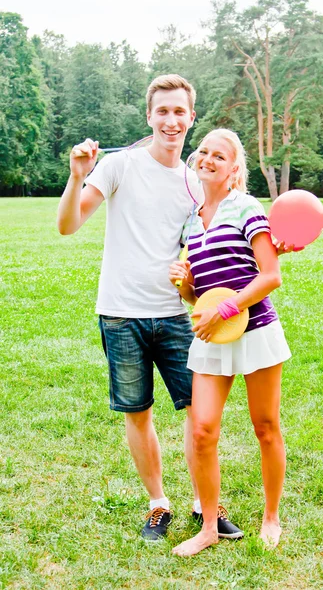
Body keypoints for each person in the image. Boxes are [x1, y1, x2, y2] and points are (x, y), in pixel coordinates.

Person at [57, 75, 243, 542]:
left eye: (180, 111)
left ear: (191, 118)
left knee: (198, 413)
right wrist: (78, 173)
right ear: (149, 117)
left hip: (178, 315)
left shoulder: (196, 184)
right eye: (162, 111)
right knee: (137, 412)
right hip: (120, 313)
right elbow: (68, 224)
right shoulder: (118, 166)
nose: (171, 120)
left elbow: (217, 248)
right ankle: (159, 504)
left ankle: (206, 504)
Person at [169, 129, 292, 556]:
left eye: (218, 155)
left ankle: (271, 517)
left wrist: (229, 307)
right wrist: (185, 286)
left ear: (234, 167)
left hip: (255, 329)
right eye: (203, 151)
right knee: (202, 431)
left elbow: (270, 275)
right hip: (211, 333)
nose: (207, 159)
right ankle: (208, 527)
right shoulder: (191, 219)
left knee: (266, 427)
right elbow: (196, 293)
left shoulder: (247, 207)